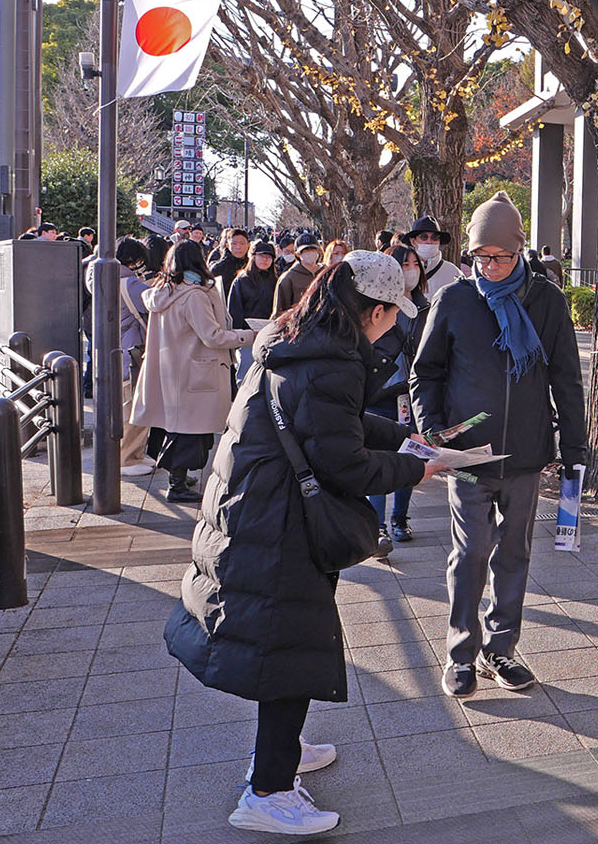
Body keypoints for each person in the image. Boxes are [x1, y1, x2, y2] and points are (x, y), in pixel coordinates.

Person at [165, 251, 439, 837]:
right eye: (394, 312)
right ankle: (268, 790)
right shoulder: (332, 364)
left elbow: (338, 423)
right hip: (278, 524)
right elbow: (346, 463)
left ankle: (280, 751)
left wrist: (406, 440)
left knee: (287, 644)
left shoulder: (295, 340)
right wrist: (417, 470)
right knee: (290, 651)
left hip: (256, 509)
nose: (396, 322)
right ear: (375, 311)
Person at [411, 191, 587, 697]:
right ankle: (460, 653)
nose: (489, 267)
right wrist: (434, 434)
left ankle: (501, 649)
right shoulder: (454, 299)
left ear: (520, 251)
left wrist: (574, 449)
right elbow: (426, 373)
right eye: (480, 257)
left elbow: (566, 378)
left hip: (527, 451)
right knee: (470, 553)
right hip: (467, 455)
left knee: (514, 553)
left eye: (501, 257)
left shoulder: (547, 300)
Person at [132, 241, 257, 503]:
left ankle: (178, 478)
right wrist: (250, 336)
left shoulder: (164, 290)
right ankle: (177, 484)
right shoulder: (194, 295)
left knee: (179, 428)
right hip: (195, 370)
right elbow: (213, 336)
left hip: (173, 369)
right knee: (190, 432)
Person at [365, 244, 430, 554]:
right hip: (379, 393)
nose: (411, 270)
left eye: (416, 264)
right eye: (404, 264)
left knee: (409, 456)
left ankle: (400, 519)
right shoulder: (375, 307)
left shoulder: (427, 308)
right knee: (377, 459)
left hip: (411, 394)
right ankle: (376, 526)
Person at [87, 237, 157, 477]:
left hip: (112, 348)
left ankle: (131, 454)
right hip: (131, 350)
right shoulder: (129, 283)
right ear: (133, 259)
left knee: (122, 404)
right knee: (135, 405)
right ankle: (128, 458)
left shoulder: (98, 276)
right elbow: (154, 303)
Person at [229, 241, 280, 379]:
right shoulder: (241, 281)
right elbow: (234, 311)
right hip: (247, 337)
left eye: (269, 257)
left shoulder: (276, 281)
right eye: (261, 256)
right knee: (245, 376)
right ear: (253, 257)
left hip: (270, 336)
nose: (265, 260)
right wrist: (238, 336)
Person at [406, 216, 464, 292]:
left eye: (434, 237)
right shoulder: (403, 270)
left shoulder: (453, 272)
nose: (429, 241)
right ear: (413, 242)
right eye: (424, 237)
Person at [273, 233, 324, 317]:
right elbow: (279, 311)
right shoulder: (288, 278)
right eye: (305, 250)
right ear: (297, 254)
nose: (309, 253)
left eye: (313, 249)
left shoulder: (327, 273)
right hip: (300, 322)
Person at [211, 228, 250, 299]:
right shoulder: (218, 268)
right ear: (227, 246)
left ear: (248, 245)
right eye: (234, 244)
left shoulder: (252, 266)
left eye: (242, 243)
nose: (238, 247)